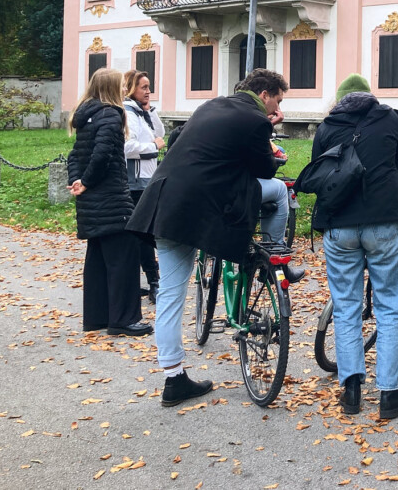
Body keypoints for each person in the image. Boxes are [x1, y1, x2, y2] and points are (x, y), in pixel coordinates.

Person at [127, 68, 297, 407]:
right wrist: (272, 132)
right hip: (203, 207)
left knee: (172, 296)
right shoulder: (256, 119)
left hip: (164, 204)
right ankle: (273, 254)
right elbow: (264, 167)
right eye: (277, 101)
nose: (276, 107)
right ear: (265, 95)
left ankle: (173, 379)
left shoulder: (210, 105)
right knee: (279, 191)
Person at [310, 73, 398, 419]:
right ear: (369, 96)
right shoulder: (388, 118)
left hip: (339, 222)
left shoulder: (327, 126)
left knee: (345, 306)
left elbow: (321, 170)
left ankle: (352, 389)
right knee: (388, 306)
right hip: (384, 218)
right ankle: (389, 394)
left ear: (339, 99)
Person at [67, 68, 151, 337]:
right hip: (112, 197)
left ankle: (96, 317)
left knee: (98, 258)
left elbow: (73, 156)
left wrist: (78, 181)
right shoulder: (111, 114)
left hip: (91, 200)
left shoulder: (85, 116)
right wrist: (88, 181)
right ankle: (123, 320)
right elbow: (103, 154)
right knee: (124, 258)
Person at [123, 70, 164, 303]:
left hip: (148, 180)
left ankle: (150, 281)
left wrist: (150, 111)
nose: (148, 91)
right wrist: (153, 147)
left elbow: (160, 133)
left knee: (144, 233)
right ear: (131, 88)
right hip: (135, 182)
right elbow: (127, 148)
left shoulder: (141, 111)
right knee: (143, 234)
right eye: (144, 87)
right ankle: (154, 281)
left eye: (149, 87)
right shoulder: (127, 113)